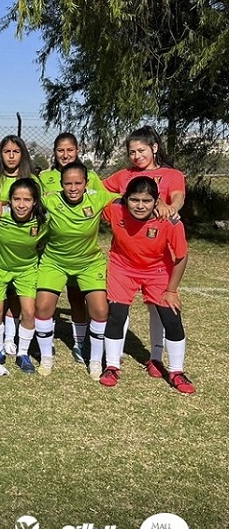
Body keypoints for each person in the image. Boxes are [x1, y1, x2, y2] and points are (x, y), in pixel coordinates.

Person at [102, 126, 186, 369]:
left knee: (157, 308)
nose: (137, 156)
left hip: (157, 248)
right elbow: (101, 191)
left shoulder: (170, 174)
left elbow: (178, 196)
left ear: (155, 148)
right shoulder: (124, 175)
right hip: (126, 254)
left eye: (141, 150)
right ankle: (113, 359)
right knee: (119, 308)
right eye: (132, 152)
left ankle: (157, 358)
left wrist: (169, 207)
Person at [99, 177, 193, 393]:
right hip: (122, 268)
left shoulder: (170, 222)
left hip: (157, 271)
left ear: (156, 201)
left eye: (146, 201)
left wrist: (171, 290)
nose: (140, 206)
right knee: (116, 314)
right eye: (134, 200)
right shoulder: (114, 210)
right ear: (125, 199)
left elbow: (181, 256)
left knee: (171, 317)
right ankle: (112, 366)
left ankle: (176, 371)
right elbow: (93, 197)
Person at [35, 161, 117, 377]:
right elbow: (21, 202)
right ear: (61, 184)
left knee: (100, 310)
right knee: (43, 307)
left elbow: (130, 200)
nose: (73, 188)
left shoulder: (98, 198)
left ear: (86, 183)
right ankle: (46, 358)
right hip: (55, 262)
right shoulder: (50, 200)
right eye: (68, 183)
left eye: (78, 183)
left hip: (89, 263)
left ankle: (95, 361)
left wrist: (160, 205)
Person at [38, 132, 104, 363]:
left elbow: (104, 202)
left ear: (77, 151)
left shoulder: (92, 177)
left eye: (70, 150)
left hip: (82, 252)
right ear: (54, 153)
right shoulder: (44, 177)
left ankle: (80, 343)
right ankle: (43, 345)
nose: (65, 155)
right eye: (60, 150)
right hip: (52, 250)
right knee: (44, 300)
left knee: (77, 297)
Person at [0, 178, 47, 375]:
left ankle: (23, 354)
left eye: (27, 200)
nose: (21, 205)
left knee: (29, 312)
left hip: (26, 270)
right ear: (9, 200)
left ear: (35, 201)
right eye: (16, 199)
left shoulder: (44, 219)